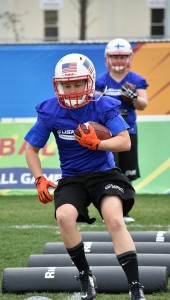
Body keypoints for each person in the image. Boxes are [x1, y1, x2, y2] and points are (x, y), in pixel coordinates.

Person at [24, 53, 146, 300]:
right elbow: (30, 149)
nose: (71, 89)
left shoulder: (103, 105)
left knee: (114, 219)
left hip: (104, 174)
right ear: (57, 85)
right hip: (73, 177)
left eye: (77, 83)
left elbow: (124, 143)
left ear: (89, 82)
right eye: (66, 85)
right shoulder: (51, 111)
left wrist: (97, 144)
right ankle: (85, 276)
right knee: (64, 217)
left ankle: (135, 286)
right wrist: (39, 178)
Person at [95, 38, 148, 223]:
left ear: (130, 58)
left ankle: (124, 210)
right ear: (107, 58)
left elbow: (143, 105)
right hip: (107, 133)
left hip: (128, 131)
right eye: (114, 56)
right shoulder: (101, 81)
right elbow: (94, 105)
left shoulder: (136, 80)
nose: (118, 60)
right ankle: (110, 211)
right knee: (109, 171)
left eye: (122, 56)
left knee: (127, 173)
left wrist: (133, 98)